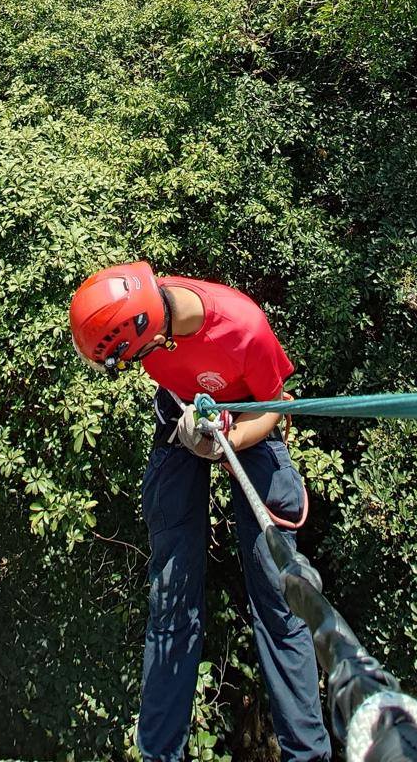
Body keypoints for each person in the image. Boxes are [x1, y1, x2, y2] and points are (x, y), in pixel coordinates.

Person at [69, 261, 332, 762]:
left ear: (144, 334)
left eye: (126, 359)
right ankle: (160, 754)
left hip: (249, 420)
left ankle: (308, 755)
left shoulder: (242, 326)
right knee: (171, 594)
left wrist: (227, 441)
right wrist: (194, 430)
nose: (127, 369)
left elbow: (277, 405)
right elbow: (171, 377)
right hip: (181, 415)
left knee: (279, 594)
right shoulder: (148, 315)